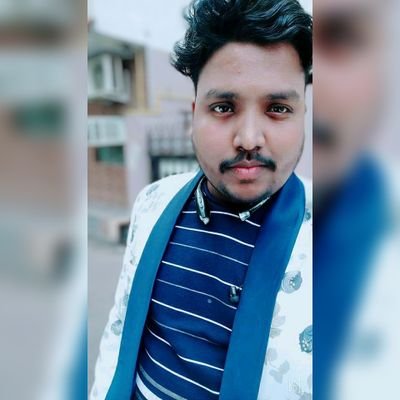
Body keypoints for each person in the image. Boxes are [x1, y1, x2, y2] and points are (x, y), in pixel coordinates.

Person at [91, 1, 312, 399]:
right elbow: (119, 330)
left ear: (304, 115)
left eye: (278, 108)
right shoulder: (152, 203)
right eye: (223, 107)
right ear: (194, 115)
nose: (248, 139)